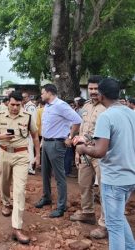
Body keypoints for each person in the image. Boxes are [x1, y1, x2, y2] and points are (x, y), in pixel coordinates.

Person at [74, 78, 135, 250]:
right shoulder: (131, 113)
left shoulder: (106, 116)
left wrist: (83, 149)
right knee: (118, 218)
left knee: (114, 225)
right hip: (129, 176)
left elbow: (100, 151)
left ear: (101, 95)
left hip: (114, 179)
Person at [0, 91, 40, 244]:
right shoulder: (0, 115)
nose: (15, 108)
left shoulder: (28, 116)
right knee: (4, 182)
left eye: (18, 105)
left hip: (21, 156)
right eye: (12, 104)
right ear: (8, 103)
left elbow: (35, 136)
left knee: (19, 190)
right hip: (4, 153)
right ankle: (6, 203)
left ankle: (17, 227)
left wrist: (37, 156)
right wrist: (2, 136)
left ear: (21, 104)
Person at [35, 84, 82, 218]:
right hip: (47, 142)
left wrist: (70, 137)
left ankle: (61, 207)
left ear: (49, 93)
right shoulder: (48, 106)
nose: (41, 95)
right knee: (45, 173)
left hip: (57, 143)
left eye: (43, 93)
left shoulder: (61, 105)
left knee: (59, 176)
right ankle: (46, 197)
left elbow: (77, 120)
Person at [69, 75, 107, 239]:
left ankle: (105, 224)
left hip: (101, 153)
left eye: (96, 89)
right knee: (84, 183)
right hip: (85, 151)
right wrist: (78, 148)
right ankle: (88, 212)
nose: (92, 92)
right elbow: (83, 129)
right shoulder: (85, 106)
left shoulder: (108, 107)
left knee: (105, 189)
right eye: (90, 88)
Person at [22, 92, 37, 175]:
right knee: (27, 149)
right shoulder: (26, 106)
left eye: (25, 97)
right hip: (26, 131)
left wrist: (30, 130)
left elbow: (33, 120)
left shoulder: (31, 106)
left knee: (30, 149)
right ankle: (28, 167)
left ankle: (31, 168)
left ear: (29, 97)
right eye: (23, 97)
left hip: (30, 131)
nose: (24, 99)